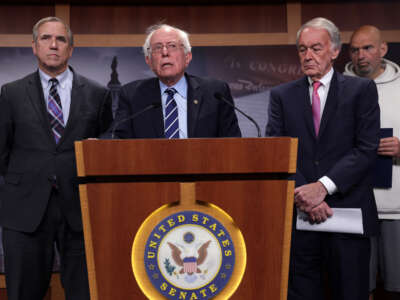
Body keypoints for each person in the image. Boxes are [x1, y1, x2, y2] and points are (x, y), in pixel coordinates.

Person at [266, 17, 380, 300]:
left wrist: (323, 187)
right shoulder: (282, 95)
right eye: (302, 49)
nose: (308, 56)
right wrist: (306, 195)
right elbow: (279, 150)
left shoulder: (361, 91)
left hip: (347, 216)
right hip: (301, 219)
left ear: (335, 51)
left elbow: (366, 149)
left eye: (316, 48)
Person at [0, 17, 113, 300]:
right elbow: (2, 152)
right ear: (35, 47)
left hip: (79, 209)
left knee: (87, 292)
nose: (53, 45)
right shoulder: (10, 93)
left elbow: (105, 149)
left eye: (61, 39)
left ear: (71, 48)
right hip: (24, 210)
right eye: (46, 39)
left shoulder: (98, 94)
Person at [107, 24, 241, 139]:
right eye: (158, 47)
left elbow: (232, 143)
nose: (165, 52)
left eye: (172, 46)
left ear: (187, 57)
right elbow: (118, 138)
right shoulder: (132, 95)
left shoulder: (215, 92)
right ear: (148, 61)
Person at [345, 25, 400, 300]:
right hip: (351, 206)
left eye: (367, 48)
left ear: (383, 49)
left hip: (396, 209)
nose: (360, 55)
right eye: (354, 49)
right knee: (357, 287)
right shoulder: (334, 88)